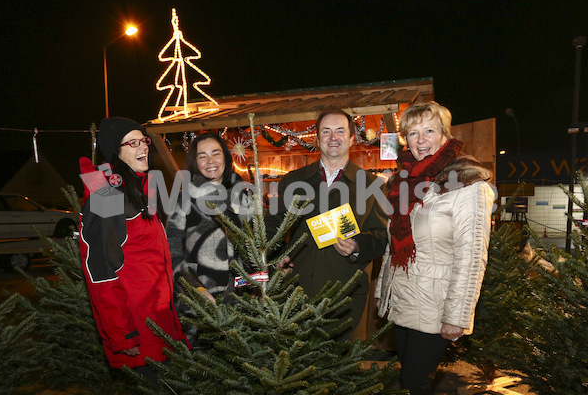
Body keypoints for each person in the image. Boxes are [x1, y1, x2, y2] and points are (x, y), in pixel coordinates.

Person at [374, 101, 495, 395]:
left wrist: (457, 316)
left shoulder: (468, 183)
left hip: (436, 305)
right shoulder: (403, 181)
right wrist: (382, 293)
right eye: (413, 134)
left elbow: (471, 255)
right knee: (410, 381)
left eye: (429, 130)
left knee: (417, 382)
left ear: (444, 134)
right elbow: (394, 246)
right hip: (403, 301)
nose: (421, 140)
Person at [79, 117, 188, 381]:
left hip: (160, 323)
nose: (143, 147)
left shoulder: (139, 188)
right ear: (114, 151)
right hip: (138, 331)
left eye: (144, 140)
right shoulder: (106, 196)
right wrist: (123, 335)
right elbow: (101, 271)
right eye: (132, 143)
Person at [266, 108, 389, 340]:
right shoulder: (293, 181)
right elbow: (274, 224)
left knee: (339, 365)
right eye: (326, 131)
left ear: (352, 138)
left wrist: (357, 245)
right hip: (296, 292)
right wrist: (277, 252)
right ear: (317, 138)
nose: (334, 138)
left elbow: (381, 236)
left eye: (340, 131)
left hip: (346, 295)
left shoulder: (373, 185)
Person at [165, 133, 251, 341]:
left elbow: (255, 247)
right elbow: (172, 254)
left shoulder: (244, 196)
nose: (210, 161)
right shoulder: (183, 200)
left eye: (216, 153)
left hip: (243, 306)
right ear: (195, 162)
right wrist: (198, 291)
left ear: (226, 157)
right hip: (200, 308)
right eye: (202, 156)